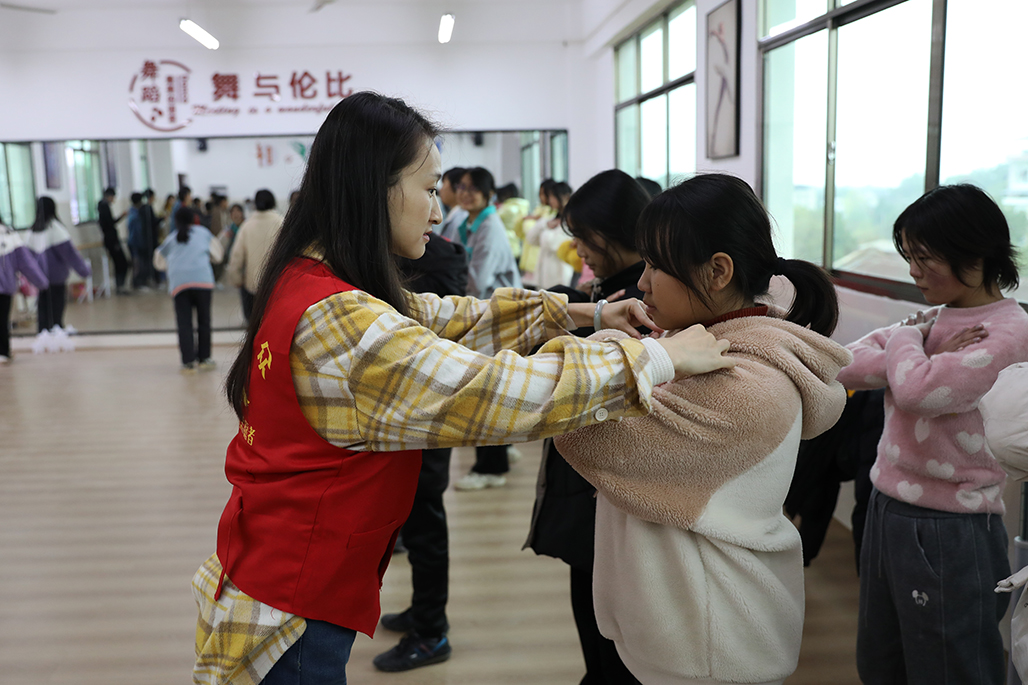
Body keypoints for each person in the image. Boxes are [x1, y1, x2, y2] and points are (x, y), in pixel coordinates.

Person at [189, 91, 735, 685]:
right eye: (429, 189)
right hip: (289, 605)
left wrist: (584, 315)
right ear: (375, 189)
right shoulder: (342, 322)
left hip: (271, 564)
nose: (437, 210)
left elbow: (441, 316)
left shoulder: (309, 275)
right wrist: (656, 357)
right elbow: (490, 393)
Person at [551, 174, 851, 685]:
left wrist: (613, 348)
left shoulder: (750, 385)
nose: (641, 282)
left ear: (716, 272)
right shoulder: (698, 340)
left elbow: (583, 428)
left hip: (710, 641)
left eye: (655, 265)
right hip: (680, 623)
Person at [835, 183, 1028, 685]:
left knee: (950, 667)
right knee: (882, 658)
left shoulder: (1007, 330)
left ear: (976, 254)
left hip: (951, 523)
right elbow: (844, 364)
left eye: (925, 258)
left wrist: (908, 346)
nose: (914, 272)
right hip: (888, 503)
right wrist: (919, 353)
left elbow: (920, 392)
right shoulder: (936, 320)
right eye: (910, 257)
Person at [525, 170, 651, 684]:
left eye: (584, 236)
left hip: (613, 494)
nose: (576, 248)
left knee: (614, 632)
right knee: (591, 612)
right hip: (586, 490)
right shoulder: (604, 290)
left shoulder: (644, 300)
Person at [373, 231, 469, 672]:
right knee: (417, 522)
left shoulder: (426, 257)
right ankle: (423, 612)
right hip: (417, 407)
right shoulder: (435, 252)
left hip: (427, 408)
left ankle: (431, 632)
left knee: (425, 522)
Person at [448, 166, 524, 491]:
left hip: (498, 315)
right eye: (462, 187)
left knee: (487, 390)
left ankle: (491, 468)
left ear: (488, 193)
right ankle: (503, 449)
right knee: (494, 386)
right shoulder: (467, 222)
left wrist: (451, 311)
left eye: (472, 188)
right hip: (486, 312)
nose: (465, 193)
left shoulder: (490, 226)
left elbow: (477, 280)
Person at [153, 207, 224, 372]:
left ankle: (188, 361)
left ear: (176, 221)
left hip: (179, 283)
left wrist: (172, 267)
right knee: (204, 321)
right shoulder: (203, 233)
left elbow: (158, 260)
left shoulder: (171, 238)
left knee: (184, 323)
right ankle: (205, 359)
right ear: (194, 219)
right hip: (203, 281)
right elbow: (218, 255)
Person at [26, 197, 92, 332]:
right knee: (56, 308)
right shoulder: (56, 229)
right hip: (56, 278)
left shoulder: (32, 231)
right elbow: (70, 254)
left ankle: (43, 334)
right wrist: (84, 271)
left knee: (43, 308)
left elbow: (27, 258)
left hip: (40, 279)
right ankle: (56, 333)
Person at [226, 189, 285, 323]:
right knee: (274, 325)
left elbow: (236, 257)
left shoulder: (247, 226)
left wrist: (236, 279)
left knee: (254, 326)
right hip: (277, 285)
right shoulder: (282, 224)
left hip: (251, 286)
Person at [0, 220, 49, 363]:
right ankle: (3, 352)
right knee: (2, 320)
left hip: (4, 287)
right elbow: (25, 262)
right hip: (4, 288)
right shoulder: (8, 234)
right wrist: (41, 282)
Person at [525, 181, 575, 290]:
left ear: (565, 197)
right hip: (544, 277)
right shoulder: (551, 218)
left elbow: (553, 244)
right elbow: (531, 238)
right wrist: (545, 224)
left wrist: (545, 231)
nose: (550, 200)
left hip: (561, 277)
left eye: (553, 196)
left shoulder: (571, 220)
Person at [518, 179, 557, 286]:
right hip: (531, 256)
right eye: (539, 193)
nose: (541, 197)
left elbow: (530, 230)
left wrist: (534, 220)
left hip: (541, 258)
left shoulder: (552, 214)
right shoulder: (539, 210)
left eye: (543, 194)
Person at [97, 187, 130, 295]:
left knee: (119, 263)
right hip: (112, 240)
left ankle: (120, 286)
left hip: (110, 239)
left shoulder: (102, 207)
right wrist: (122, 216)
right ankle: (120, 287)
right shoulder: (104, 207)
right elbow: (111, 223)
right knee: (122, 263)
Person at [496, 182, 529, 261]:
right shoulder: (522, 206)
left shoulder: (508, 209)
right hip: (517, 244)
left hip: (506, 244)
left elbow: (494, 219)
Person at [436, 166, 467, 240]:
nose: (441, 190)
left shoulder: (461, 219)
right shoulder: (455, 214)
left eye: (444, 184)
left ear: (456, 186)